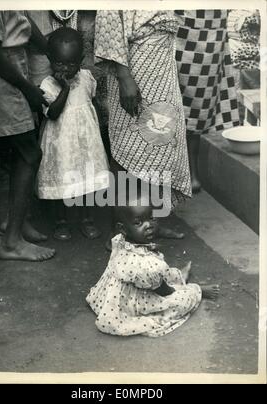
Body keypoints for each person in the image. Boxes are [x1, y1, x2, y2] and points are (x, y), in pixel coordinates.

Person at [94, 10, 192, 245]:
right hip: (134, 73)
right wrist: (125, 78)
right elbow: (110, 26)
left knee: (159, 147)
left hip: (162, 72)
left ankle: (152, 222)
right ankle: (118, 233)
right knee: (128, 150)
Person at [86, 192, 220, 337]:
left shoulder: (123, 242)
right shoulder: (145, 265)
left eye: (151, 218)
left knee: (159, 272)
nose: (148, 226)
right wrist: (184, 291)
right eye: (138, 223)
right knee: (179, 300)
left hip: (117, 293)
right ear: (123, 228)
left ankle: (178, 277)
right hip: (136, 300)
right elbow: (164, 291)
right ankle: (195, 289)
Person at [0, 10, 55, 261]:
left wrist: (53, 50)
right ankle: (11, 243)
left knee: (15, 153)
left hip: (10, 67)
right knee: (29, 153)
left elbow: (22, 19)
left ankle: (16, 222)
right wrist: (28, 89)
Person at [36, 27, 109, 240]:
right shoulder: (48, 85)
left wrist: (98, 134)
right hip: (61, 143)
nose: (65, 68)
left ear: (81, 60)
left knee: (86, 180)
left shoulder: (86, 77)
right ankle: (61, 222)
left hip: (86, 141)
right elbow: (54, 113)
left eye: (71, 63)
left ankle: (87, 219)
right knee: (63, 178)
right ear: (50, 59)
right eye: (59, 63)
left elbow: (92, 103)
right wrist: (65, 89)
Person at [175, 10, 240, 193]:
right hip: (178, 29)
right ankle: (176, 172)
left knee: (197, 108)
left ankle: (191, 172)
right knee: (167, 105)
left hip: (211, 31)